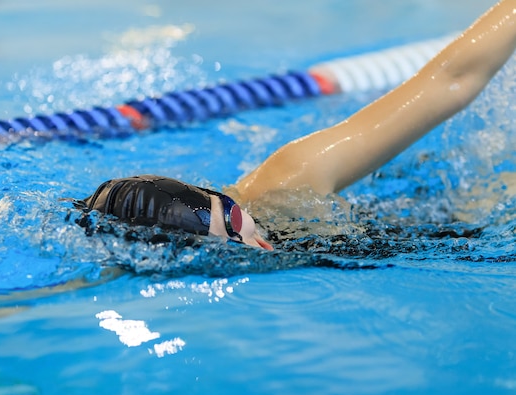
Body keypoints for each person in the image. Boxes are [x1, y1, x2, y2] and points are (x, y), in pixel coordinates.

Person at [77, 0, 516, 250]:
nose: (253, 233)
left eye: (232, 210)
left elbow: (449, 79)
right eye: (236, 230)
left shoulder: (291, 177)